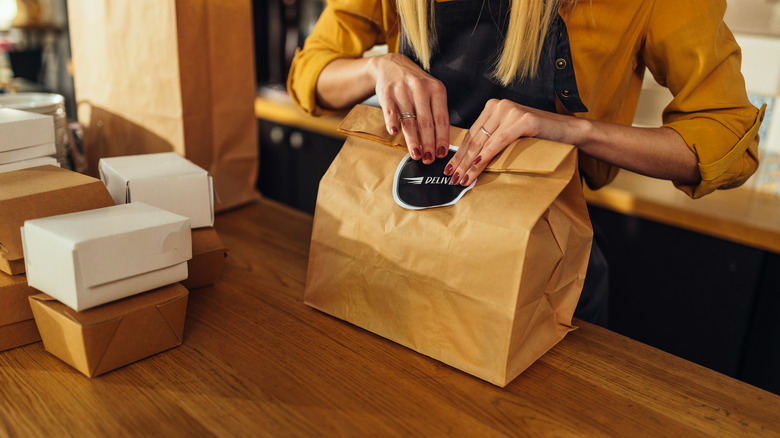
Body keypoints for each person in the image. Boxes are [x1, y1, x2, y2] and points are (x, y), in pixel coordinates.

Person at [287, 0, 764, 326]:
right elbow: (309, 74)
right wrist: (377, 68)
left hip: (540, 273)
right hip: (403, 247)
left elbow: (728, 138)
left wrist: (575, 130)